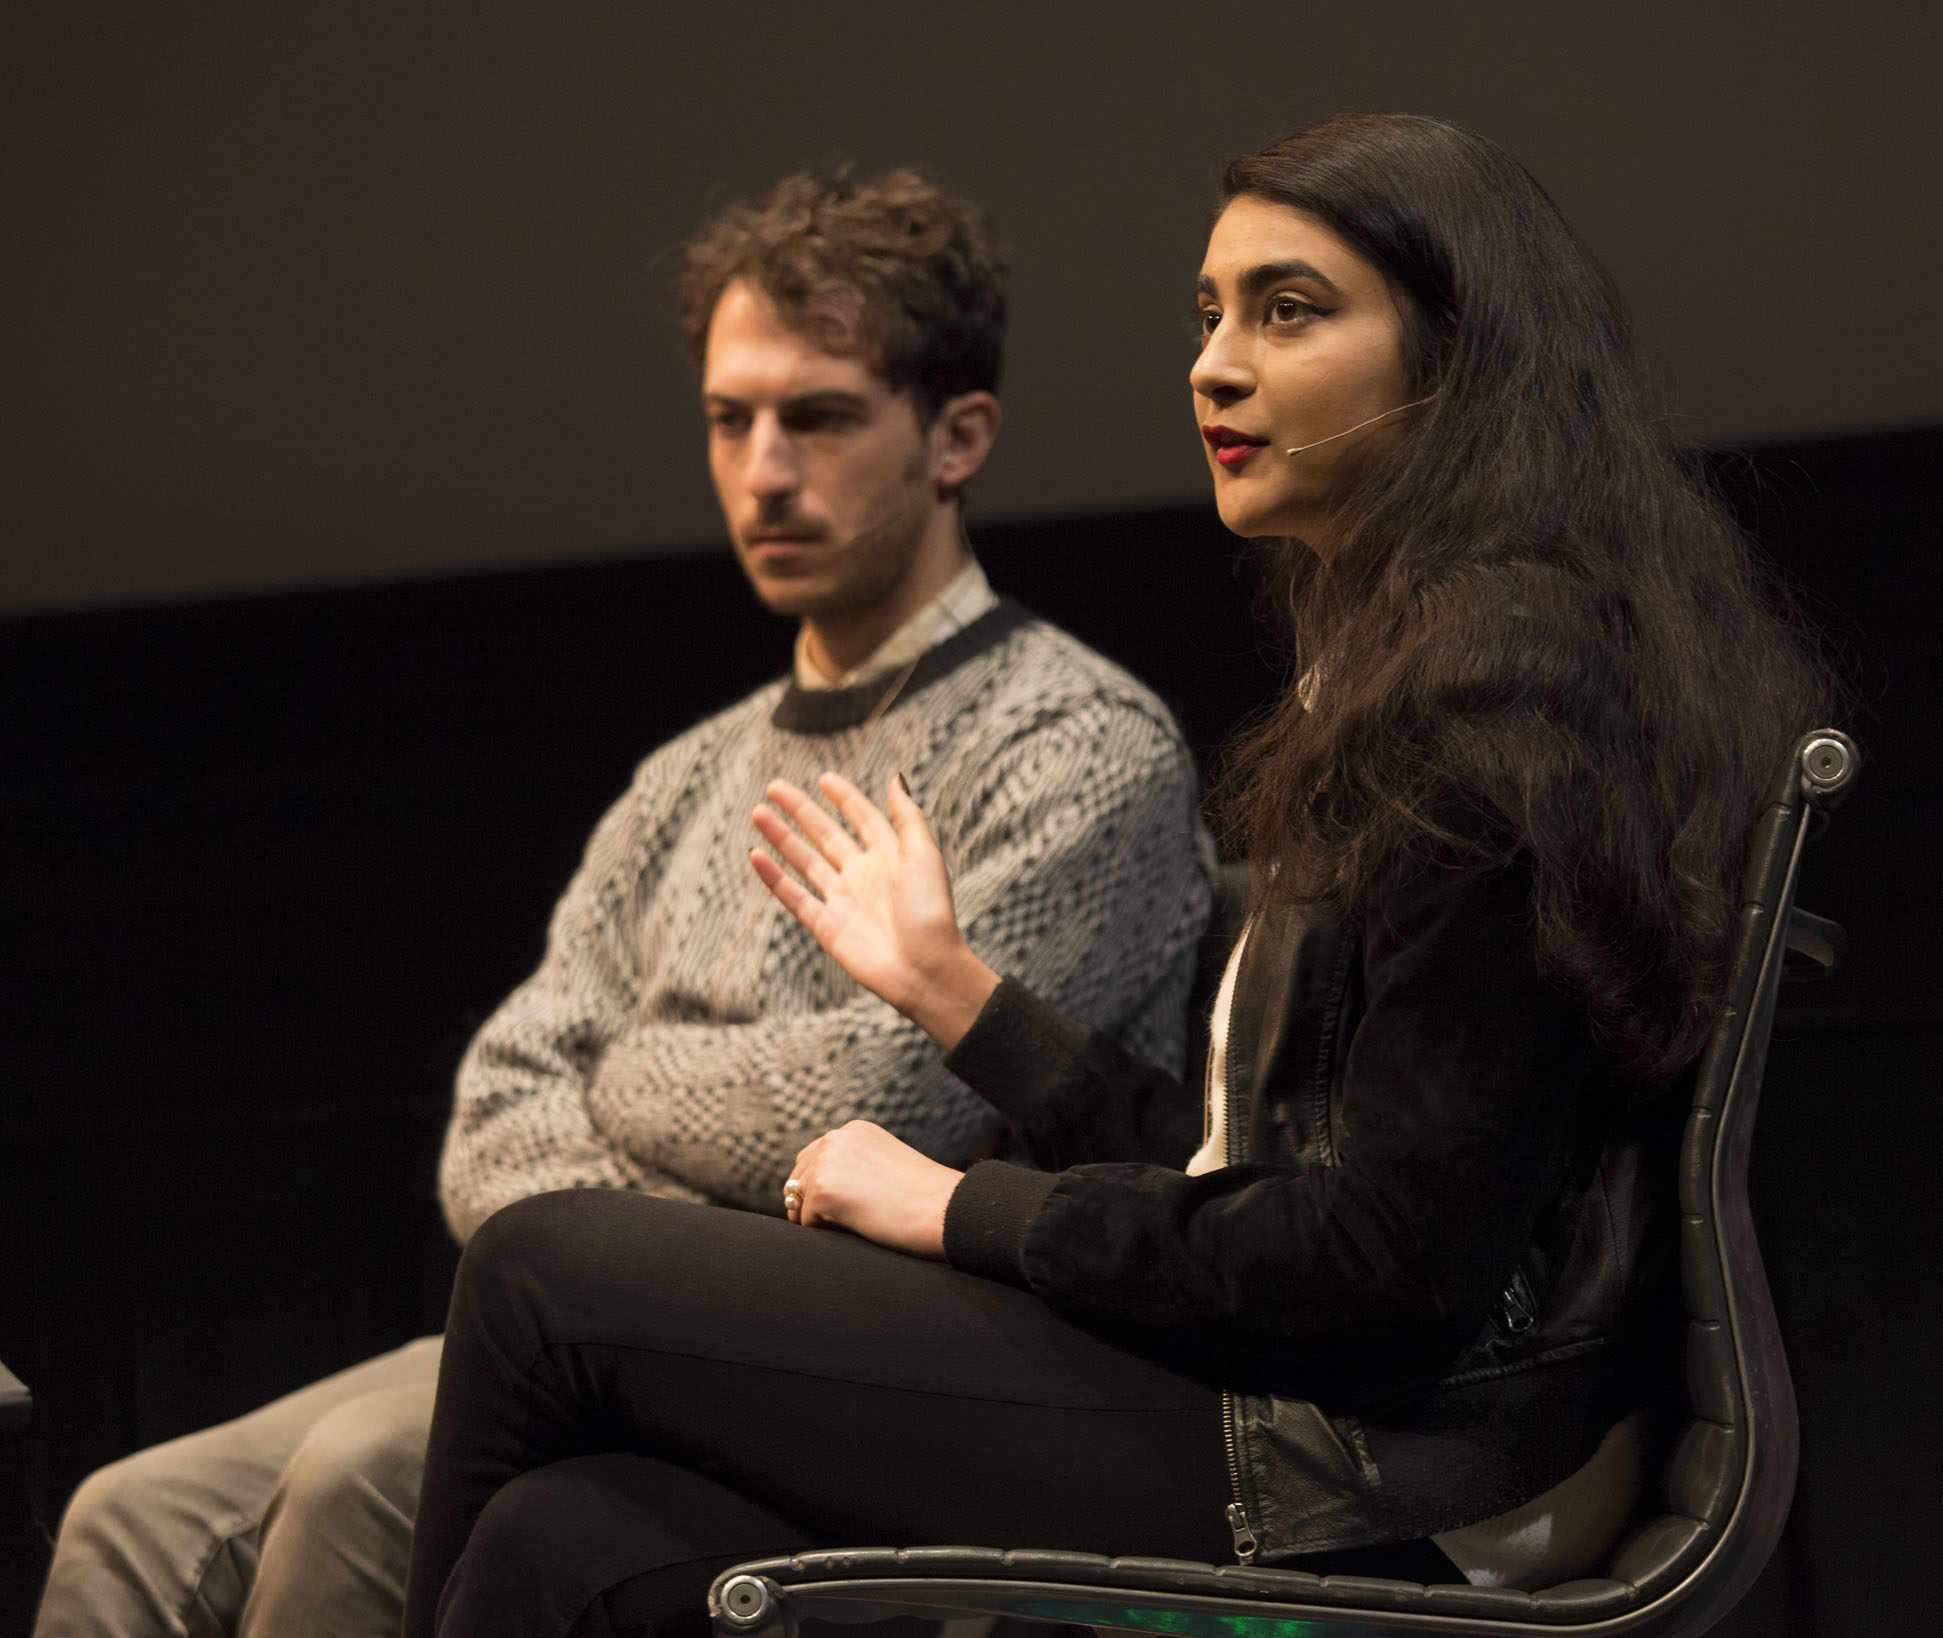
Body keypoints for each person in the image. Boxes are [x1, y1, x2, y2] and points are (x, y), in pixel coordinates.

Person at [398, 114, 1836, 1638]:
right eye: (1209, 314)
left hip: (1371, 1468)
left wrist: (965, 1206)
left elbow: (1383, 1269)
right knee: (567, 1539)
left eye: (1288, 311)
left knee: (543, 1269)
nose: (1215, 364)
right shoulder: (1423, 659)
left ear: (1455, 355)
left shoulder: (1503, 692)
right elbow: (1257, 1173)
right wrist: (962, 997)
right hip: (1313, 1402)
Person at [32, 168, 1216, 1638]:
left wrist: (631, 1075)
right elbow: (499, 1108)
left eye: (821, 415)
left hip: (908, 1356)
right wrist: (646, 1214)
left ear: (957, 433)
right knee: (126, 1512)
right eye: (732, 419)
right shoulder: (687, 775)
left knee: (347, 1482)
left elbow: (888, 1103)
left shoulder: (1077, 739)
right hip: (595, 1329)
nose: (764, 469)